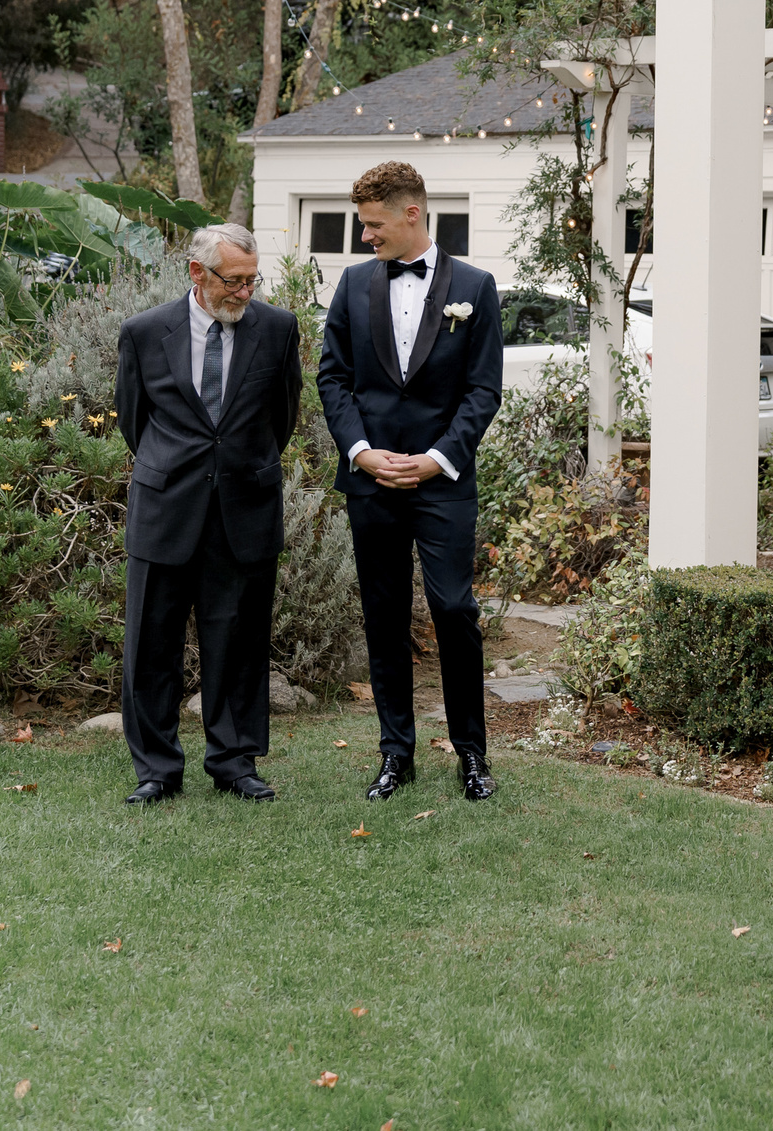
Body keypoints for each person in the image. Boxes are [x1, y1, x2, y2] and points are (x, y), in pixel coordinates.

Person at [317, 161, 505, 802]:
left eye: (373, 225)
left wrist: (435, 459)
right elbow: (333, 379)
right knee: (384, 616)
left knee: (454, 610)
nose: (365, 236)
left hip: (443, 481)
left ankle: (472, 754)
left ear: (412, 215)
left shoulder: (475, 288)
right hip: (371, 482)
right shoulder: (351, 285)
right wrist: (362, 453)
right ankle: (396, 753)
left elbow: (483, 391)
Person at [111, 222, 304, 805]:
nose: (245, 293)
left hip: (245, 509)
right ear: (198, 274)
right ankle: (157, 770)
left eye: (252, 280)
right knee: (151, 644)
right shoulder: (145, 332)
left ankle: (234, 762)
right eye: (233, 281)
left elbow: (283, 416)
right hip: (166, 509)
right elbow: (133, 420)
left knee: (239, 645)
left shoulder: (277, 329)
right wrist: (177, 467)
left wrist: (241, 467)